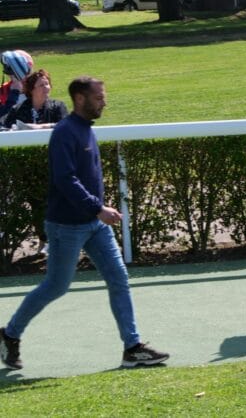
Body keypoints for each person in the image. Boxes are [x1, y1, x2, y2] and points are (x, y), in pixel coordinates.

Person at [0, 76, 169, 370]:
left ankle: (133, 348)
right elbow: (65, 179)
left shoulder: (85, 129)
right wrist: (97, 208)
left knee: (118, 278)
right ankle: (9, 335)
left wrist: (99, 211)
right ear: (80, 99)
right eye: (99, 97)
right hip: (66, 226)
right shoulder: (66, 132)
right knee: (55, 286)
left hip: (94, 224)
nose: (104, 102)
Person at [2, 69, 69, 130]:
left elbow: (66, 126)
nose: (46, 88)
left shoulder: (58, 106)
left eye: (47, 84)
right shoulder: (18, 109)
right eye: (41, 85)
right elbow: (3, 126)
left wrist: (42, 126)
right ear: (32, 90)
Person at [1, 49, 33, 121]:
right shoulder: (3, 91)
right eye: (11, 72)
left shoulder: (38, 87)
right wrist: (15, 91)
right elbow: (4, 118)